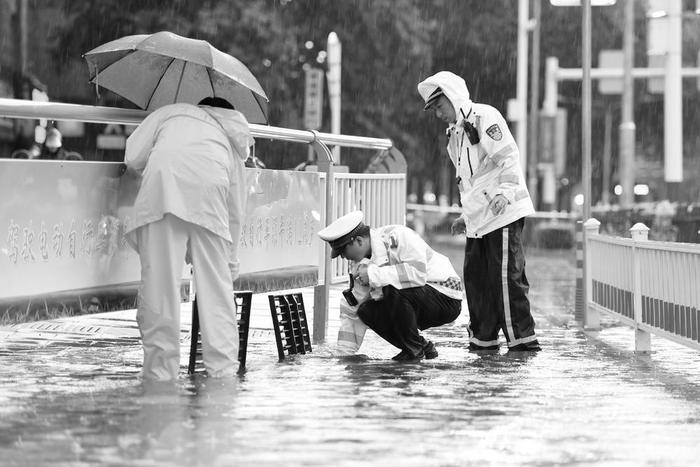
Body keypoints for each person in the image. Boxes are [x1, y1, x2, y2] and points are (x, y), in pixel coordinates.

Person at [123, 97, 253, 381]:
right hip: (211, 205)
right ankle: (223, 376)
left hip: (163, 193)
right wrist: (230, 262)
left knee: (161, 289)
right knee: (217, 296)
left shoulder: (170, 113)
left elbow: (132, 157)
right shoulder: (231, 144)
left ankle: (161, 376)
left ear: (201, 106)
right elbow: (236, 211)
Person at [418, 71, 540, 352]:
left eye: (439, 106)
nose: (437, 114)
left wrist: (504, 194)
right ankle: (483, 338)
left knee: (505, 278)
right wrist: (466, 215)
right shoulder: (456, 134)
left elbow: (508, 157)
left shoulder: (485, 117)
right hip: (480, 218)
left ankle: (522, 340)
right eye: (434, 109)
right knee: (476, 279)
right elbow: (471, 181)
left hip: (502, 212)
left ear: (453, 97)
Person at [318, 211, 463, 361]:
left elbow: (418, 273)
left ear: (359, 241)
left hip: (446, 294)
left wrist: (374, 274)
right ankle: (421, 347)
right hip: (414, 299)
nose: (342, 256)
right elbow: (352, 311)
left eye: (343, 250)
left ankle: (413, 352)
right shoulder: (360, 267)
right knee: (366, 310)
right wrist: (342, 354)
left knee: (389, 289)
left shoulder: (399, 235)